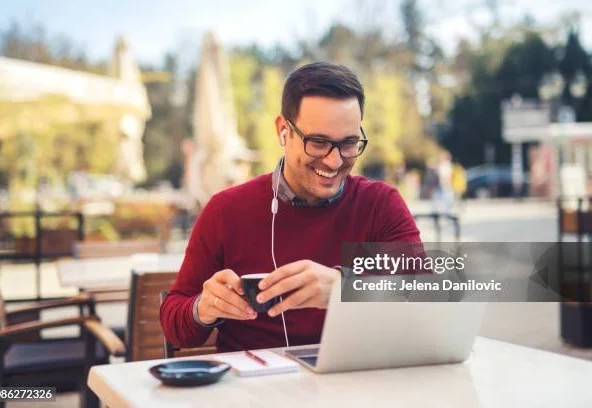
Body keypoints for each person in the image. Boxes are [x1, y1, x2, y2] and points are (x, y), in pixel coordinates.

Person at [160, 62, 421, 352]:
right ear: (283, 131)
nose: (334, 162)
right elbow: (175, 327)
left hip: (355, 384)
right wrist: (203, 308)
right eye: (318, 142)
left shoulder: (381, 205)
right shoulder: (226, 210)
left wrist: (343, 287)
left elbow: (424, 293)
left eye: (349, 143)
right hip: (255, 391)